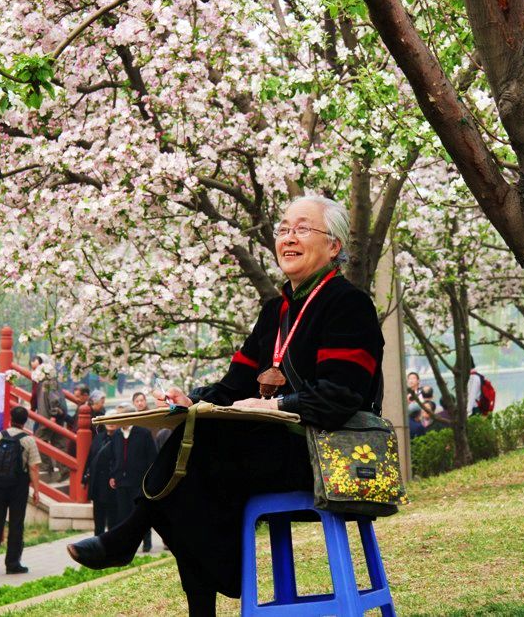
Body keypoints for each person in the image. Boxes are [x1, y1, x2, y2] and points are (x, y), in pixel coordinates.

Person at [66, 195, 384, 615]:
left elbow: (340, 396)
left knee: (195, 460)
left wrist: (275, 406)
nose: (289, 238)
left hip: (323, 454)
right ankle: (141, 542)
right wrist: (191, 401)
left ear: (334, 245)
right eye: (284, 229)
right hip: (271, 454)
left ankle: (132, 538)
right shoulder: (275, 311)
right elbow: (235, 386)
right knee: (190, 448)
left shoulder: (349, 304)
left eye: (302, 229)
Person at [0, 405, 41, 574]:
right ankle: (12, 564)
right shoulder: (28, 440)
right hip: (18, 488)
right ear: (25, 421)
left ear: (11, 418)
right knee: (16, 524)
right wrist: (37, 490)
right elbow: (33, 468)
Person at [105, 404, 158, 552]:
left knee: (140, 513)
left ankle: (146, 542)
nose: (118, 419)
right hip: (121, 481)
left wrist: (148, 479)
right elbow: (114, 458)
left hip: (139, 481)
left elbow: (151, 458)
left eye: (120, 415)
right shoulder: (116, 434)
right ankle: (127, 543)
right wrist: (112, 475)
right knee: (123, 514)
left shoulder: (144, 433)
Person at [31, 354, 67, 476]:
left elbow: (53, 399)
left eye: (37, 368)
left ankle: (47, 467)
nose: (35, 371)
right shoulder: (45, 381)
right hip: (50, 416)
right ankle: (64, 470)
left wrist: (53, 415)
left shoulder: (49, 381)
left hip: (49, 417)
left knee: (39, 440)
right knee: (59, 442)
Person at [82, 412, 119, 533]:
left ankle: (111, 545)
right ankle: (97, 543)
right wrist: (85, 477)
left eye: (114, 419)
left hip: (112, 483)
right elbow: (90, 458)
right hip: (97, 483)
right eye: (108, 420)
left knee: (113, 518)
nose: (111, 423)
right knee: (98, 518)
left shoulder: (121, 438)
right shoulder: (98, 437)